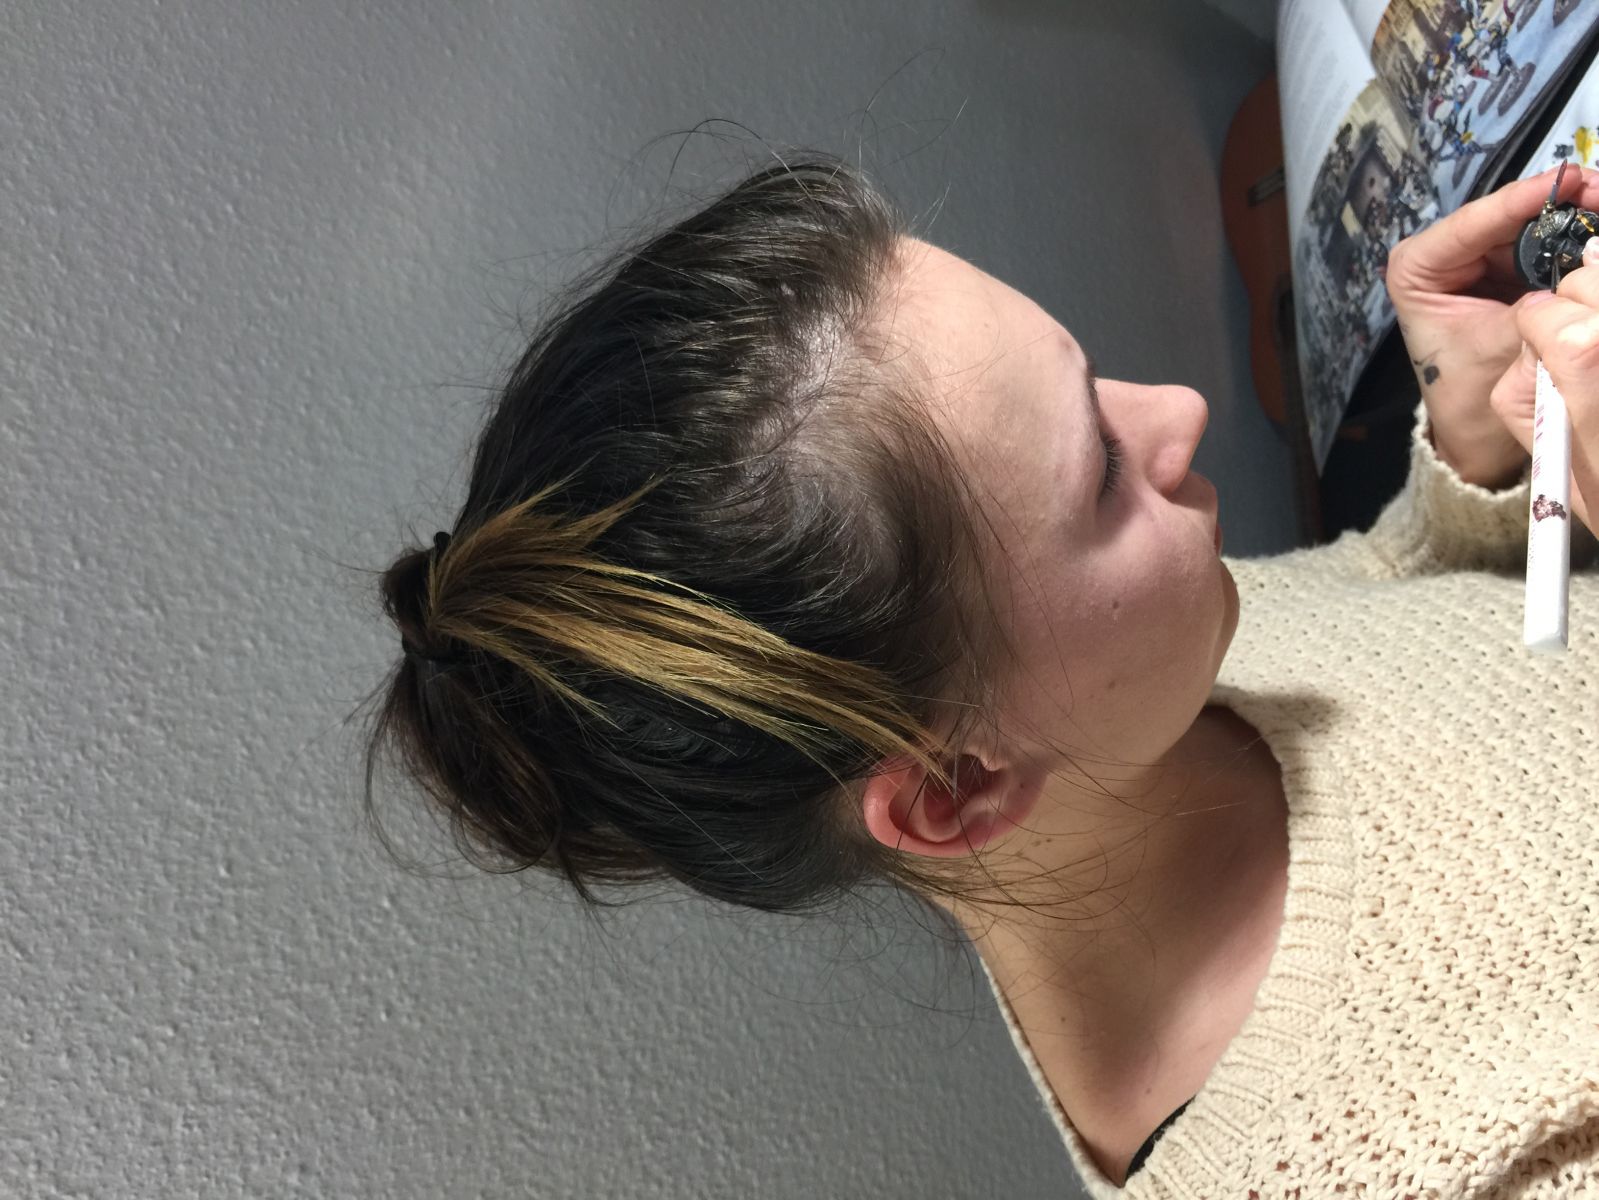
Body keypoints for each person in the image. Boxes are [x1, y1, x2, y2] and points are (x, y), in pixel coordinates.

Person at [363, 153, 1599, 1196]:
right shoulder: (1419, 1159)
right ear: (957, 788)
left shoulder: (1149, 697)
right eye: (1102, 470)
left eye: (1092, 385)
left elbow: (1409, 612)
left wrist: (1476, 437)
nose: (1178, 409)